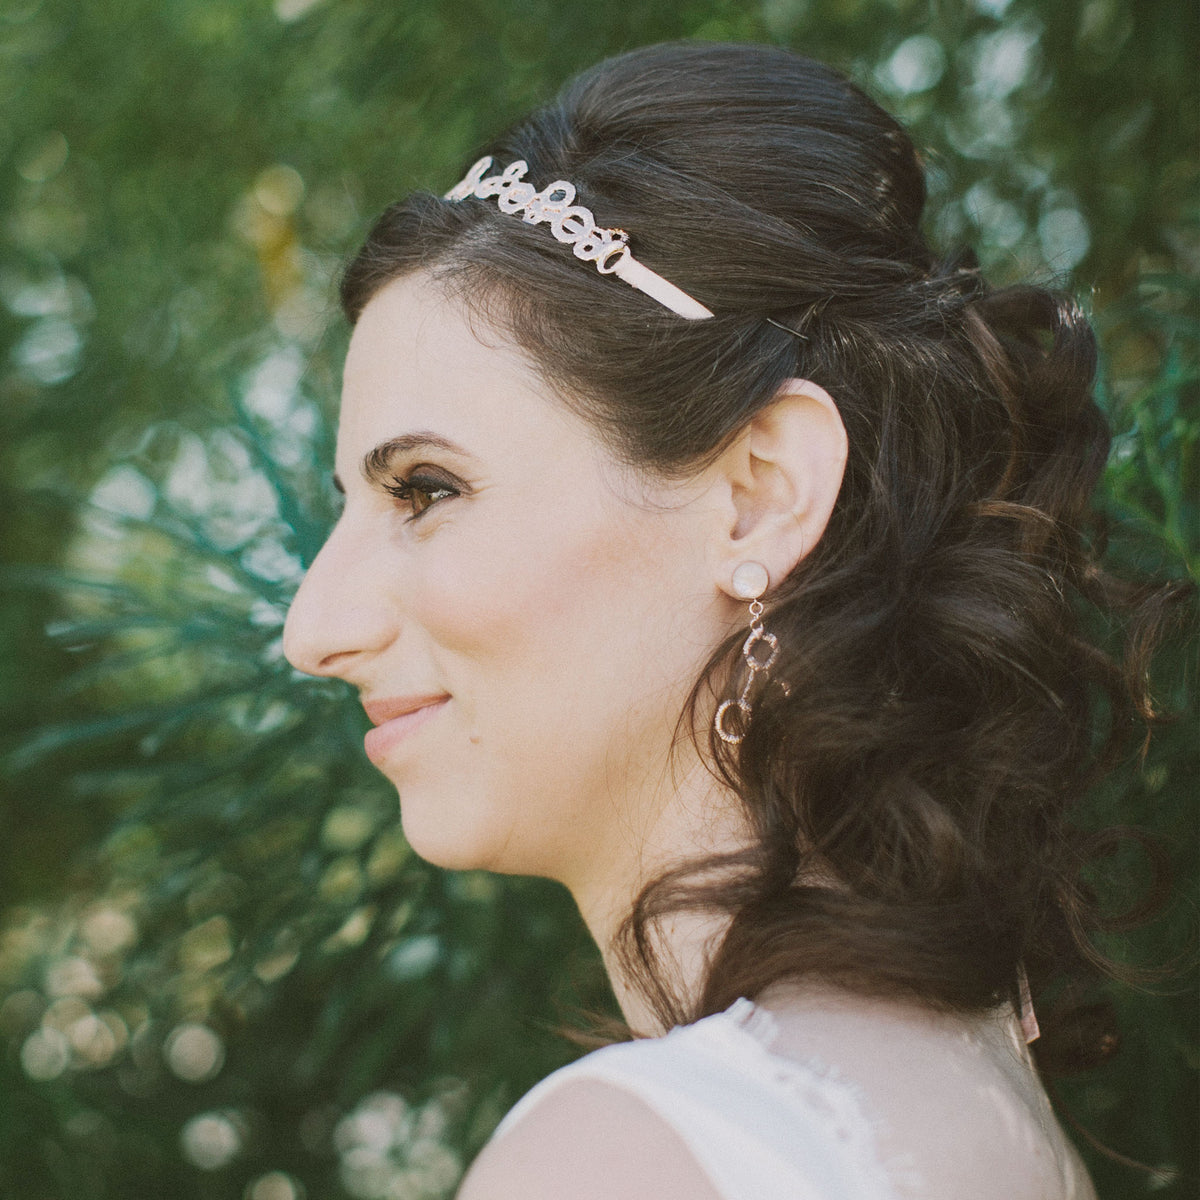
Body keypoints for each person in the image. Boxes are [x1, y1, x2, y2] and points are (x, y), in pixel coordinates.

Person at [280, 40, 1170, 1199]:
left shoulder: (636, 1159)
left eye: (427, 492)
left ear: (759, 495)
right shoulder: (982, 1088)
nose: (314, 627)